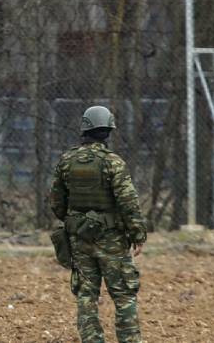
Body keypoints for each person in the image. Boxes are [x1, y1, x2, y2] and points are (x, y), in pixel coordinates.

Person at [50, 105, 147, 343]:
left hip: (79, 238)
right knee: (123, 295)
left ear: (84, 129)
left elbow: (57, 202)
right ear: (108, 131)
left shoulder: (67, 161)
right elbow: (128, 202)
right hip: (111, 238)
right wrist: (137, 233)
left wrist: (75, 223)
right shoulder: (113, 163)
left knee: (86, 295)